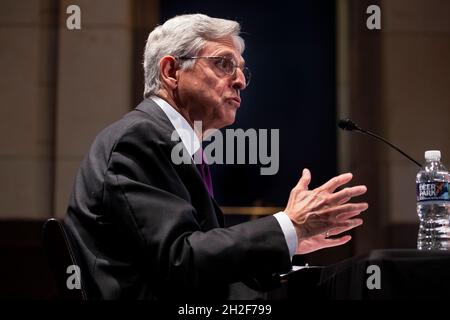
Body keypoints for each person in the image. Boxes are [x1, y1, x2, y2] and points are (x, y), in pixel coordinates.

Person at [64, 13, 368, 300]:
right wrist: (288, 225)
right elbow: (180, 261)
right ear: (171, 71)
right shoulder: (138, 139)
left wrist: (289, 240)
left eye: (241, 69)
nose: (241, 81)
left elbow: (202, 264)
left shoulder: (170, 143)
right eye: (223, 64)